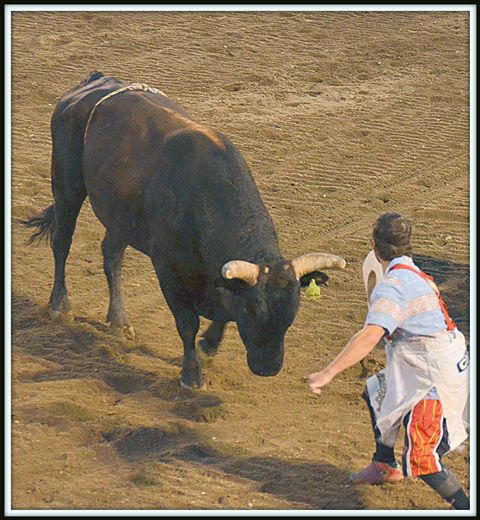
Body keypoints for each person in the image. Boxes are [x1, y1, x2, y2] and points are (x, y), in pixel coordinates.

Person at [308, 212, 470, 510]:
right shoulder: (416, 274)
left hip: (433, 379)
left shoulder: (393, 285)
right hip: (436, 366)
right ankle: (384, 464)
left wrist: (327, 373)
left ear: (373, 246)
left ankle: (465, 507)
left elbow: (369, 336)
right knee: (377, 391)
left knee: (423, 458)